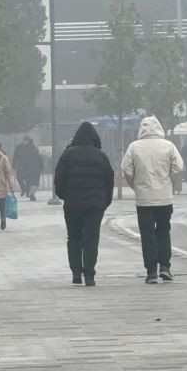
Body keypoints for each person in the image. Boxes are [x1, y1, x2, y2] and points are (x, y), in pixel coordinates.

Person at [121, 116, 183, 284]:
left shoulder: (134, 147)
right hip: (164, 197)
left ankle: (151, 272)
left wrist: (135, 185)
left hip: (144, 199)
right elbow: (178, 167)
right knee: (163, 231)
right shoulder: (168, 146)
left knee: (147, 234)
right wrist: (171, 183)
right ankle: (165, 266)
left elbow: (126, 169)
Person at [54, 122, 114, 286]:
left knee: (73, 237)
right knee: (91, 238)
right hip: (95, 205)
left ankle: (76, 271)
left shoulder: (67, 155)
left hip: (72, 203)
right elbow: (109, 180)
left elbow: (58, 179)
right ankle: (89, 274)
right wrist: (105, 200)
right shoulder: (101, 156)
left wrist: (64, 195)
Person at [12, 136, 44, 201]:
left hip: (29, 168)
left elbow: (40, 160)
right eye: (24, 140)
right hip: (22, 165)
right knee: (19, 177)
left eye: (26, 140)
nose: (25, 141)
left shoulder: (32, 147)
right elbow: (15, 156)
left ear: (29, 141)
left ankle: (28, 193)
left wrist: (40, 168)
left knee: (29, 180)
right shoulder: (19, 147)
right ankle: (24, 189)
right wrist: (14, 164)